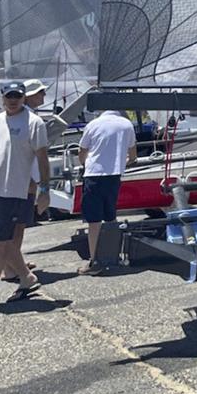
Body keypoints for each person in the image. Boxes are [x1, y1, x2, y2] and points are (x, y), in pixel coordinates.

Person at [0, 80, 50, 309]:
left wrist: (45, 190)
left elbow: (42, 158)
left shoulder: (34, 123)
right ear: (2, 97)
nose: (12, 100)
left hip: (12, 190)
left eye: (17, 96)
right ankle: (26, 277)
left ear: (23, 97)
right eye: (9, 96)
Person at [77, 109, 137, 274]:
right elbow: (133, 155)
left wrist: (85, 164)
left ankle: (94, 261)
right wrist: (125, 162)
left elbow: (82, 152)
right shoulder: (127, 124)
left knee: (94, 221)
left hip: (94, 175)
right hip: (114, 176)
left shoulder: (93, 124)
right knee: (110, 216)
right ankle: (112, 255)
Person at [2, 78, 48, 282]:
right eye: (40, 92)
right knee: (16, 227)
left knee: (16, 227)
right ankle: (11, 268)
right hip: (22, 182)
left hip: (24, 180)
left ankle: (13, 263)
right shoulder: (27, 120)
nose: (43, 96)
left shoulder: (27, 118)